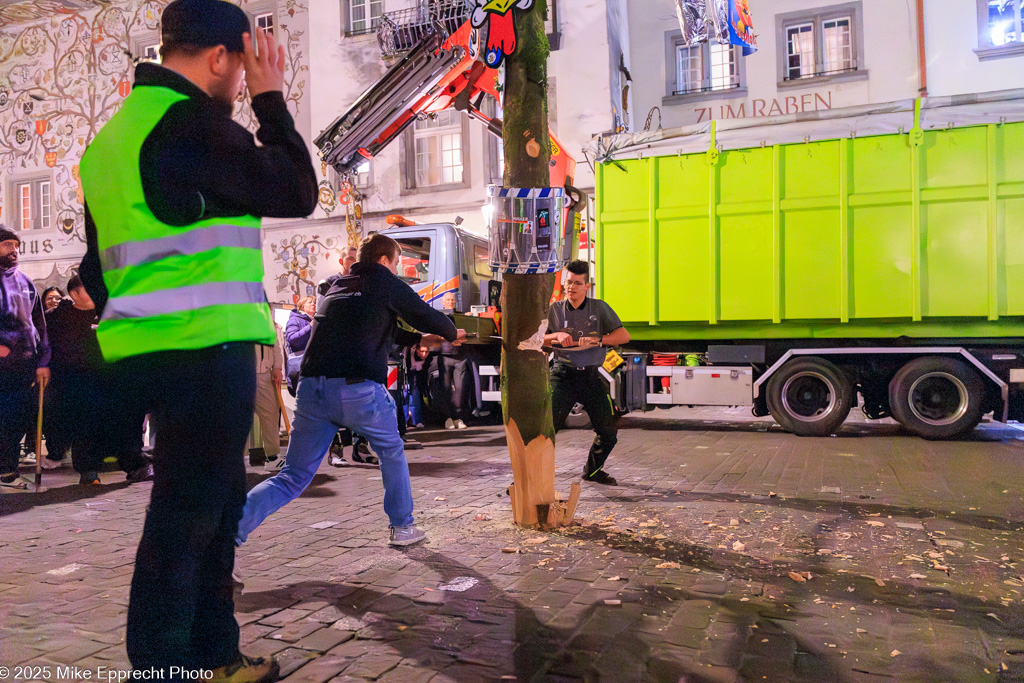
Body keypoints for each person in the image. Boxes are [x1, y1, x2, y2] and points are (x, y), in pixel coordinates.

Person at [77, 1, 317, 680]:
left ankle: (215, 653)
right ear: (219, 57)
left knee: (206, 506)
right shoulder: (196, 125)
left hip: (142, 349)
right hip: (205, 348)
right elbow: (297, 189)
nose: (244, 81)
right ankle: (163, 667)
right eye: (244, 67)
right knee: (188, 517)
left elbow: (98, 271)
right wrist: (272, 105)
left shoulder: (112, 141)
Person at [236, 234, 463, 552]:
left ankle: (231, 532)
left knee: (293, 475)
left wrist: (417, 341)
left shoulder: (339, 286)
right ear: (384, 261)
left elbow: (375, 325)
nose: (395, 270)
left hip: (312, 389)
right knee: (391, 450)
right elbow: (421, 313)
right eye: (396, 263)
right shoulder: (382, 280)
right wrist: (451, 330)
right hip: (357, 389)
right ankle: (402, 527)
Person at [46, 275, 152, 484]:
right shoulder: (57, 317)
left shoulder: (108, 313)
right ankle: (88, 472)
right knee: (84, 429)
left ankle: (136, 467)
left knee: (125, 426)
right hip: (77, 385)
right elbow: (46, 345)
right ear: (74, 294)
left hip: (113, 381)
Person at [544, 260, 630, 486]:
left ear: (587, 286)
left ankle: (592, 471)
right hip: (562, 376)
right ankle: (530, 478)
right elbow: (536, 340)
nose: (571, 287)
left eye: (577, 283)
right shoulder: (554, 309)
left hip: (591, 377)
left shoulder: (599, 308)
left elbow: (624, 336)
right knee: (544, 431)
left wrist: (599, 339)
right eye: (568, 282)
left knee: (609, 431)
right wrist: (556, 336)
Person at [0, 227, 50, 490]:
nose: (14, 249)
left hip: (24, 366)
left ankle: (8, 470)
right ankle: (6, 473)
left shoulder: (25, 281)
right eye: (7, 244)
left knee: (17, 420)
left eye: (16, 245)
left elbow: (39, 325)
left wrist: (43, 361)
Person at [249, 326, 284, 466]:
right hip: (242, 374)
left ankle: (272, 457)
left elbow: (276, 347)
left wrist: (277, 367)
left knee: (270, 415)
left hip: (264, 374)